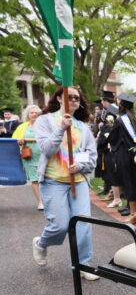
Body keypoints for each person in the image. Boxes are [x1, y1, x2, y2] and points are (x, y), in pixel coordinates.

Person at [31, 87, 99, 281]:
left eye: (77, 97)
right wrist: (61, 128)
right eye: (70, 97)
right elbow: (46, 148)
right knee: (60, 226)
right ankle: (41, 243)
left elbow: (92, 159)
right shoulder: (45, 121)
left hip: (78, 181)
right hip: (53, 181)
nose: (74, 100)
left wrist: (80, 165)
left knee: (83, 223)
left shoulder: (84, 127)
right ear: (60, 98)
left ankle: (83, 264)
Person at [107, 93, 136, 226]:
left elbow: (112, 138)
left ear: (121, 106)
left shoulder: (120, 121)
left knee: (129, 184)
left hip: (125, 156)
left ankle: (132, 215)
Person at [12, 105, 44, 209]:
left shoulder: (44, 126)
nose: (34, 114)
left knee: (46, 179)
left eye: (36, 113)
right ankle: (40, 202)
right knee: (34, 180)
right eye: (32, 112)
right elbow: (14, 140)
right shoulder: (22, 127)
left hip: (45, 156)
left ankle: (48, 200)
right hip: (29, 156)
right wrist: (20, 142)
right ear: (28, 115)